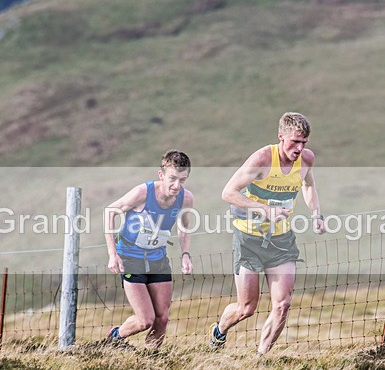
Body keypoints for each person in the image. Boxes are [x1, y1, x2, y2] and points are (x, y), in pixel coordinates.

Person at [210, 112, 324, 355]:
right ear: (281, 137)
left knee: (282, 304)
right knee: (246, 307)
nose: (299, 148)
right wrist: (265, 210)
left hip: (281, 240)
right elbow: (228, 192)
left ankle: (261, 358)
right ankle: (219, 330)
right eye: (294, 141)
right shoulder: (262, 158)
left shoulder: (306, 160)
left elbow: (309, 185)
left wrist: (316, 213)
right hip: (248, 239)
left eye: (304, 142)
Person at [104, 150, 194, 349]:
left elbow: (184, 227)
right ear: (161, 175)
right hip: (130, 258)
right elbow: (110, 211)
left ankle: (150, 359)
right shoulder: (142, 193)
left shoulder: (185, 199)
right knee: (145, 320)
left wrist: (185, 255)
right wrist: (113, 254)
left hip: (157, 259)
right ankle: (116, 336)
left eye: (182, 180)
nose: (176, 185)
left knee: (162, 319)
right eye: (172, 179)